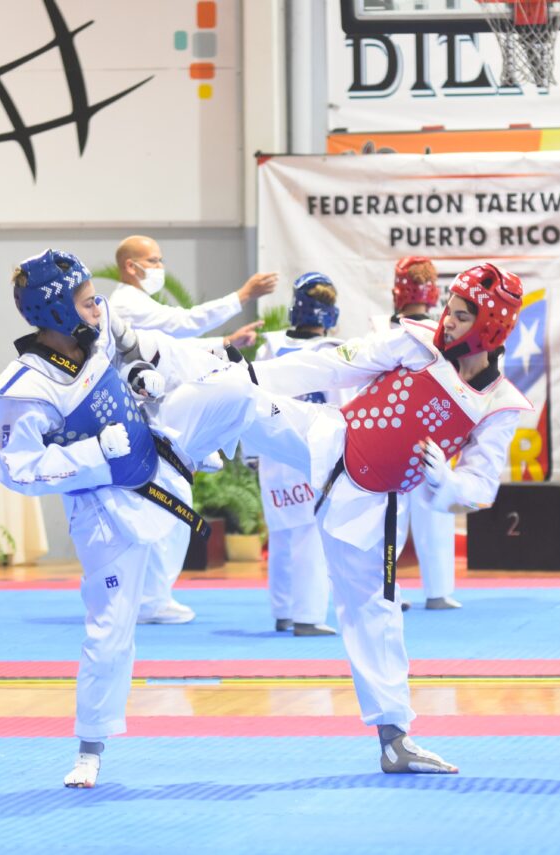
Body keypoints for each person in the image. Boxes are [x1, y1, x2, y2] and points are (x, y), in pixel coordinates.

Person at [223, 261, 533, 773]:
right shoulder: (414, 340)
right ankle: (156, 400)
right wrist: (250, 372)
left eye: (459, 315)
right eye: (448, 310)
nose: (447, 322)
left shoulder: (499, 404)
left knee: (375, 616)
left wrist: (448, 483)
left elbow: (480, 486)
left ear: (490, 326)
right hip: (328, 437)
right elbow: (332, 365)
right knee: (233, 396)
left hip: (375, 502)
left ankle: (395, 742)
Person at [0, 249, 256, 788]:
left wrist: (143, 373)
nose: (98, 306)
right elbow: (17, 471)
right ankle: (90, 750)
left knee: (236, 390)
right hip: (103, 507)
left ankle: (331, 450)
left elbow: (142, 348)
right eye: (86, 300)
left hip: (160, 458)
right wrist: (93, 452)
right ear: (57, 310)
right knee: (111, 630)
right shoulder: (23, 388)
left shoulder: (103, 324)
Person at [110, 234, 278, 626]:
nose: (160, 267)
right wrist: (241, 296)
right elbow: (181, 324)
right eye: (153, 260)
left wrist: (224, 343)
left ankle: (147, 596)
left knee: (167, 500)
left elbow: (171, 344)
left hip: (148, 419)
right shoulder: (126, 304)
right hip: (144, 420)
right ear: (130, 266)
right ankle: (151, 600)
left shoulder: (136, 305)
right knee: (170, 499)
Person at [255, 273, 343, 637]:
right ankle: (308, 616)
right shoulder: (332, 353)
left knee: (281, 532)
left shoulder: (268, 347)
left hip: (272, 451)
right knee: (310, 533)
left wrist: (252, 451)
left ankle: (283, 612)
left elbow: (251, 397)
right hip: (313, 452)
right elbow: (342, 409)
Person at [374, 256, 461, 611]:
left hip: (390, 433)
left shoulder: (381, 331)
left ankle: (390, 590)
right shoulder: (449, 331)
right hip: (434, 434)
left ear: (398, 290)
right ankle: (439, 592)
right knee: (435, 511)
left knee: (390, 516)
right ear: (433, 291)